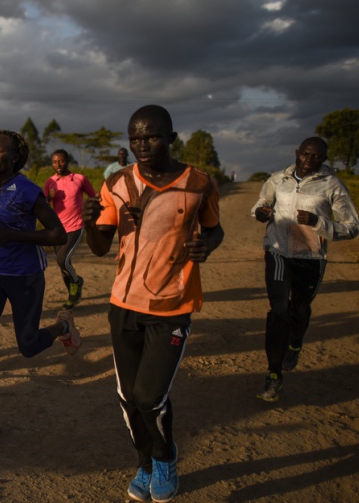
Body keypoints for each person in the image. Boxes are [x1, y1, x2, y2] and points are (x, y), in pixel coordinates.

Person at [82, 105, 223, 502]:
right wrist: (90, 221)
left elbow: (215, 230)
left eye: (152, 136)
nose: (143, 145)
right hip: (123, 304)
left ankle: (165, 457)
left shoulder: (198, 183)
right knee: (128, 398)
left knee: (149, 396)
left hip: (171, 307)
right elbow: (99, 248)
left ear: (171, 138)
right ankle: (144, 464)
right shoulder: (116, 184)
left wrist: (205, 247)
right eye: (135, 138)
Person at [0, 130, 79, 454]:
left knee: (28, 346)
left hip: (26, 277)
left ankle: (63, 327)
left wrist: (12, 236)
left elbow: (57, 234)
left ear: (15, 158)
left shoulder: (27, 191)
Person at [251, 136, 359, 402]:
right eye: (306, 154)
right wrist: (260, 212)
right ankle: (273, 375)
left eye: (316, 157)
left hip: (311, 257)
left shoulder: (332, 184)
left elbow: (352, 226)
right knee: (279, 310)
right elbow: (261, 203)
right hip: (278, 252)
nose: (309, 160)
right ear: (297, 153)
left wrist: (319, 222)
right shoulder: (278, 179)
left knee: (300, 310)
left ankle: (295, 342)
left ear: (323, 159)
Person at [45, 149, 97, 310]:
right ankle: (72, 295)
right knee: (63, 266)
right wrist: (49, 197)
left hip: (76, 226)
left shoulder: (79, 179)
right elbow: (43, 206)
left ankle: (77, 282)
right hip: (58, 229)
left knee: (63, 260)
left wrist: (92, 216)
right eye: (54, 162)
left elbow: (93, 197)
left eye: (61, 161)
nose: (58, 164)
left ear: (68, 161)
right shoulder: (50, 182)